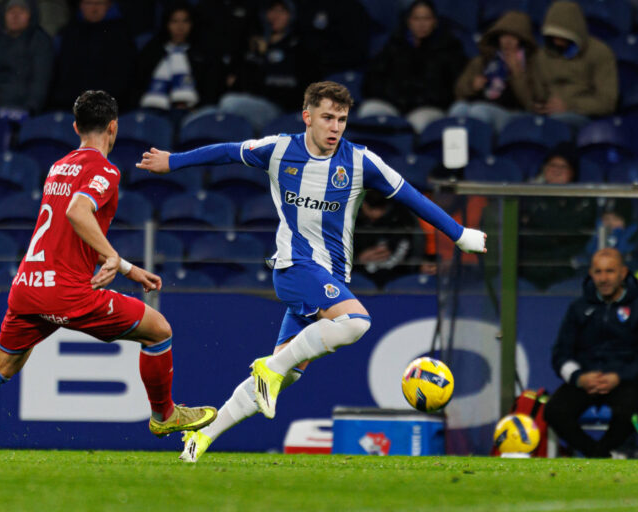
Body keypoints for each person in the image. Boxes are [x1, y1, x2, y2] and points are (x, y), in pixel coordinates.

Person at [136, 81, 487, 462]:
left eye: (341, 119)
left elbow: (412, 196)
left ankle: (202, 437)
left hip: (330, 277)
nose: (335, 127)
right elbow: (227, 152)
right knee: (356, 323)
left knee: (283, 378)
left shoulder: (360, 162)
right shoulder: (279, 150)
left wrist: (459, 233)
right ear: (307, 117)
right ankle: (270, 367)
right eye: (327, 118)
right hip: (294, 267)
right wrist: (173, 161)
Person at [0, 90, 216, 460]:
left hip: (27, 284)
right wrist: (112, 256)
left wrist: (128, 269)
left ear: (75, 127)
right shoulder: (105, 169)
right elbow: (77, 213)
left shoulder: (59, 165)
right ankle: (164, 415)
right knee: (160, 331)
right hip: (65, 291)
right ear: (113, 127)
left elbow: (68, 234)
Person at [544, 248, 638, 458]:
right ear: (591, 274)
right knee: (554, 411)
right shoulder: (578, 308)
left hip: (625, 381)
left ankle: (599, 454)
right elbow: (560, 354)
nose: (604, 278)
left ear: (623, 273)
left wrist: (619, 376)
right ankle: (599, 455)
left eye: (610, 271)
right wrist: (579, 377)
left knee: (629, 412)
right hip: (587, 379)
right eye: (598, 272)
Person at [359, 0, 467, 133]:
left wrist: (421, 100)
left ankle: (412, 154)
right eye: (416, 18)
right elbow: (373, 79)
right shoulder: (394, 45)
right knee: (369, 109)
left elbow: (452, 88)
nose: (421, 24)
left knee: (417, 122)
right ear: (409, 21)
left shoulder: (449, 48)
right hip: (394, 105)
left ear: (435, 21)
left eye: (426, 18)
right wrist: (395, 97)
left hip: (430, 108)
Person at [219, 0, 320, 131]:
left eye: (281, 11)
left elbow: (298, 87)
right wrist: (261, 56)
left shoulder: (299, 47)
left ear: (291, 15)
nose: (275, 16)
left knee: (228, 103)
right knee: (204, 115)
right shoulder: (255, 47)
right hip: (251, 104)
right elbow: (239, 82)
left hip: (281, 111)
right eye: (272, 11)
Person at [449, 10, 547, 132]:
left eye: (513, 36)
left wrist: (517, 75)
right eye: (504, 35)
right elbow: (459, 92)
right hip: (481, 105)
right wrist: (472, 86)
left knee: (479, 111)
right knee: (458, 108)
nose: (507, 41)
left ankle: (478, 149)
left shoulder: (532, 64)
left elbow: (532, 105)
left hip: (514, 113)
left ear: (522, 40)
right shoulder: (483, 61)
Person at [519, 142, 596, 289]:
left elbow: (577, 234)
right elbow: (525, 236)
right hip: (530, 265)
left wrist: (539, 223)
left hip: (567, 267)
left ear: (573, 172)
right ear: (544, 169)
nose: (556, 170)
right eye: (552, 165)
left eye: (563, 166)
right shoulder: (527, 195)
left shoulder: (584, 198)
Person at [535, 0, 617, 130]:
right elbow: (539, 93)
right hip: (547, 115)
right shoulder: (543, 53)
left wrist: (570, 105)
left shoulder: (600, 52)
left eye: (562, 36)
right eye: (554, 36)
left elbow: (607, 102)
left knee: (554, 123)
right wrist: (539, 104)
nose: (557, 42)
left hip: (583, 117)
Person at [135, 3, 224, 117]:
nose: (180, 27)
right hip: (151, 111)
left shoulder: (203, 53)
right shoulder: (152, 51)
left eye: (185, 21)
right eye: (174, 21)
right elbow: (137, 86)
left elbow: (211, 89)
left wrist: (196, 109)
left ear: (192, 24)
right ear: (166, 24)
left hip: (194, 113)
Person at [49, 0, 138, 111]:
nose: (94, 8)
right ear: (80, 5)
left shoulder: (121, 33)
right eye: (88, 3)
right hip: (69, 104)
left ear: (109, 5)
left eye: (99, 3)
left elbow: (123, 77)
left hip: (108, 106)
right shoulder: (69, 32)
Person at [353, 190, 425, 288]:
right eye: (371, 209)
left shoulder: (402, 217)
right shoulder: (351, 217)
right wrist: (358, 259)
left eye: (381, 208)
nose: (376, 213)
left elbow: (414, 252)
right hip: (359, 278)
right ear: (364, 204)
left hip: (397, 277)